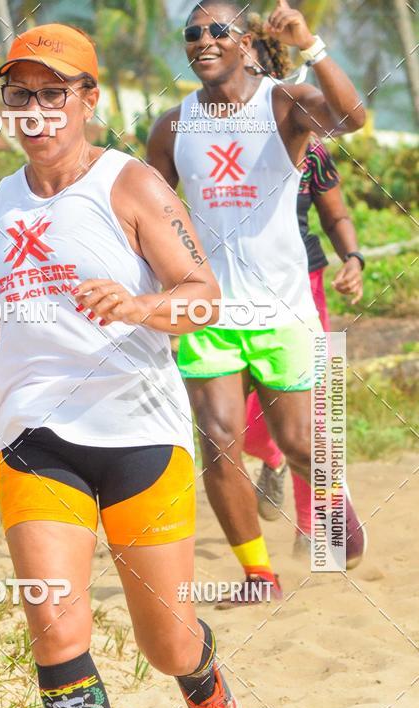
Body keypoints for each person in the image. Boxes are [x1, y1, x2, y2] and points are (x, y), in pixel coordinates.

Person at [0, 24, 246, 708]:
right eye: (20, 95)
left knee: (165, 640)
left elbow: (204, 296)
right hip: (34, 437)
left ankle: (204, 683)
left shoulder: (129, 183)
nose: (35, 110)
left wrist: (141, 307)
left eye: (53, 92)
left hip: (138, 433)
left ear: (88, 100)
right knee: (54, 622)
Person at [147, 0, 367, 602]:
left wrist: (310, 46)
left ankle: (332, 499)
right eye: (192, 32)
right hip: (208, 311)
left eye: (218, 30)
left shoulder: (284, 103)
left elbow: (352, 118)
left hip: (282, 309)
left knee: (297, 443)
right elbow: (146, 212)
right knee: (219, 441)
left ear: (244, 42)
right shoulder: (172, 126)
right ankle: (259, 577)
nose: (203, 40)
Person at [243, 18, 366, 561]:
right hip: (230, 291)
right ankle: (271, 455)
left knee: (314, 408)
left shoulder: (308, 144)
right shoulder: (201, 139)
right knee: (239, 417)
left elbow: (335, 214)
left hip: (302, 285)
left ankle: (319, 528)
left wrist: (353, 259)